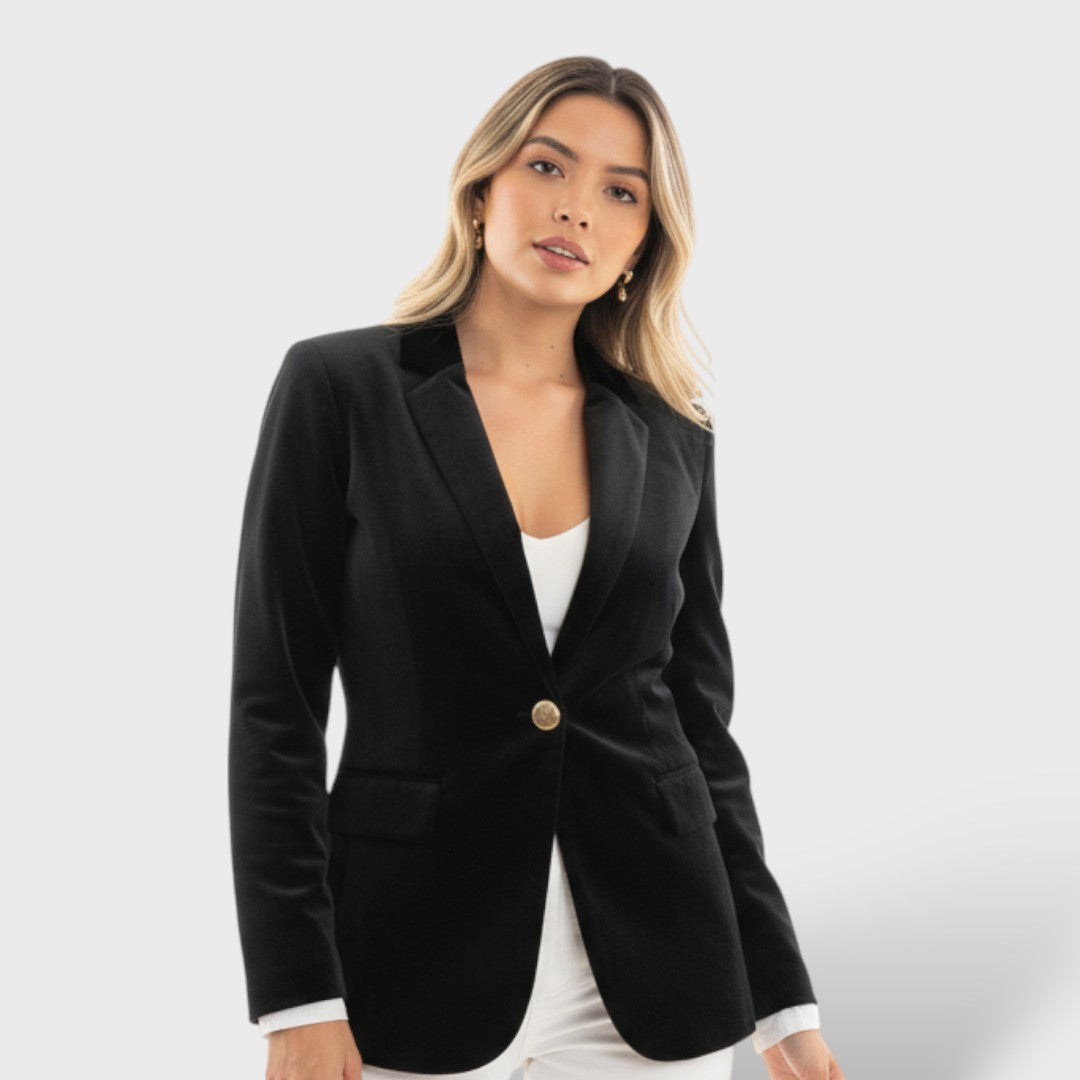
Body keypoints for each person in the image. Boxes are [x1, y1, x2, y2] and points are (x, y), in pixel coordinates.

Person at [229, 56, 847, 1080]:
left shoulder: (674, 432)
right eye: (548, 167)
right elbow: (275, 708)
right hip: (409, 968)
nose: (578, 210)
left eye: (621, 192)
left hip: (658, 978)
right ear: (482, 190)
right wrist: (297, 994)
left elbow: (698, 728)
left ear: (644, 243)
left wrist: (783, 1002)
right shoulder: (339, 389)